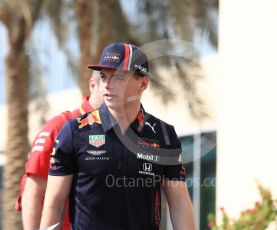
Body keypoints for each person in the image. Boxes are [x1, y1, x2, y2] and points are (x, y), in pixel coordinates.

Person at [40, 42, 195, 230]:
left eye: (118, 77)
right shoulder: (74, 131)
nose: (107, 84)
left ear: (143, 84)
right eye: (104, 76)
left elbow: (179, 204)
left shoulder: (164, 135)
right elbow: (54, 205)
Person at [18, 70, 104, 230]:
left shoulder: (124, 134)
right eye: (107, 85)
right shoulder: (60, 126)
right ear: (93, 84)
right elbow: (33, 191)